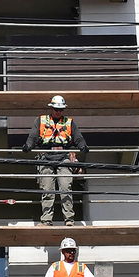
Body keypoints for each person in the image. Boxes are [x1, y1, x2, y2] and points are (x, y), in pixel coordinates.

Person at [21, 95, 88, 226]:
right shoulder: (40, 121)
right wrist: (28, 146)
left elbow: (78, 137)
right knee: (47, 190)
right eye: (56, 109)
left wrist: (83, 146)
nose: (59, 112)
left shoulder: (69, 122)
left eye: (61, 109)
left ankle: (69, 220)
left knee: (65, 188)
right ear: (51, 108)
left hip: (64, 157)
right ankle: (46, 220)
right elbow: (33, 136)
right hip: (46, 157)